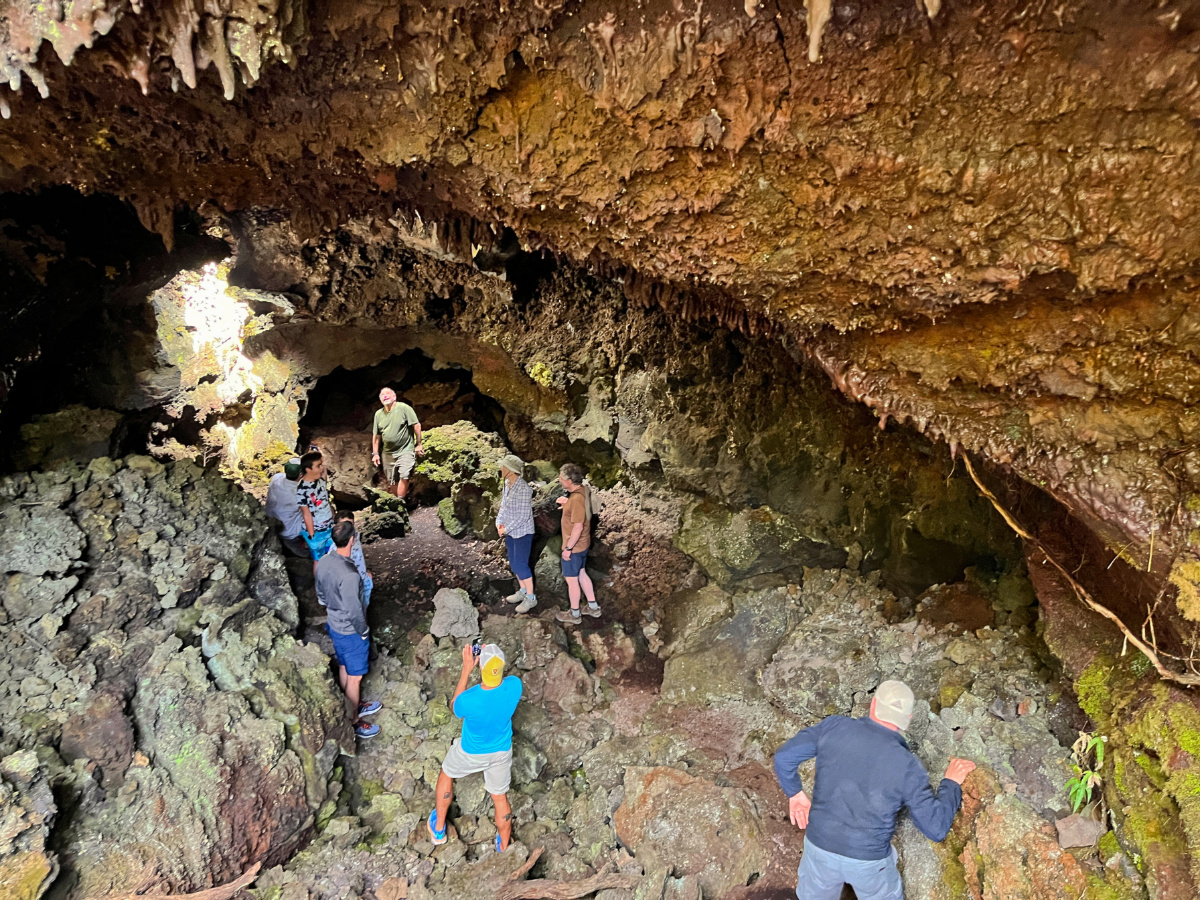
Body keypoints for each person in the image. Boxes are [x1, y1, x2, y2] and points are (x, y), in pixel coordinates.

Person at [772, 680, 976, 900]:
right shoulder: (908, 765)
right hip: (868, 862)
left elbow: (784, 757)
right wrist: (951, 783)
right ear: (907, 721)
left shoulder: (833, 727)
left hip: (819, 847)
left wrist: (795, 794)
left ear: (873, 705)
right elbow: (935, 828)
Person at [428, 643, 523, 851]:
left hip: (471, 752)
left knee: (446, 774)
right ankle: (505, 846)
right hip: (501, 752)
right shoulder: (515, 685)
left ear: (481, 668)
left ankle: (438, 829)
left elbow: (455, 707)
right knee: (500, 798)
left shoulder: (469, 700)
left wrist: (466, 669)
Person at [315, 520, 382, 740]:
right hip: (350, 631)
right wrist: (363, 631)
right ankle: (354, 721)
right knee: (355, 678)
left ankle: (349, 706)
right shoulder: (350, 573)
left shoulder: (324, 561)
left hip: (334, 624)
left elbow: (321, 595)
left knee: (344, 666)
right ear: (352, 540)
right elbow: (355, 610)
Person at [553, 463, 599, 626]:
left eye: (561, 478)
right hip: (584, 545)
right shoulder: (583, 491)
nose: (559, 479)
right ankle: (593, 607)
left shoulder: (577, 499)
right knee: (581, 573)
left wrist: (568, 549)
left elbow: (578, 526)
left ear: (569, 481)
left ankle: (574, 614)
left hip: (575, 546)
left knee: (571, 580)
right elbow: (587, 509)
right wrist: (568, 504)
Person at [496, 454, 536, 614]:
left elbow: (523, 516)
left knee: (521, 565)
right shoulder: (507, 484)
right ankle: (523, 590)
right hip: (510, 531)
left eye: (503, 466)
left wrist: (506, 529)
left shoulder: (524, 489)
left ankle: (531, 598)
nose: (501, 468)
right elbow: (503, 507)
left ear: (510, 470)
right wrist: (499, 523)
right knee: (513, 563)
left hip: (522, 533)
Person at [371, 387, 424, 500]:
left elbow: (416, 425)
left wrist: (419, 444)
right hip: (388, 453)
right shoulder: (378, 414)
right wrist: (375, 453)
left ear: (394, 397)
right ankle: (399, 502)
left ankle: (401, 500)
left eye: (388, 393)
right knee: (392, 480)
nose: (385, 396)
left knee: (404, 475)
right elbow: (376, 436)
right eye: (382, 395)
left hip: (405, 449)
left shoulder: (403, 408)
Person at [297, 450, 335, 574]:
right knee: (318, 559)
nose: (321, 468)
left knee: (332, 554)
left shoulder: (320, 481)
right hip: (317, 531)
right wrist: (312, 534)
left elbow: (326, 501)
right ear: (308, 469)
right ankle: (320, 586)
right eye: (318, 466)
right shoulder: (301, 489)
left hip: (329, 526)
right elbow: (306, 513)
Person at [324, 510, 373, 606]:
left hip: (363, 580)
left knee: (364, 605)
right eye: (344, 525)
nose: (348, 529)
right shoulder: (335, 550)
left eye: (350, 525)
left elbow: (359, 558)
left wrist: (365, 574)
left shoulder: (355, 536)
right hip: (351, 587)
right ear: (336, 528)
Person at [265, 456, 308, 557]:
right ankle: (297, 543)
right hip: (290, 531)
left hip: (271, 522)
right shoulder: (300, 493)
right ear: (301, 474)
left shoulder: (276, 478)